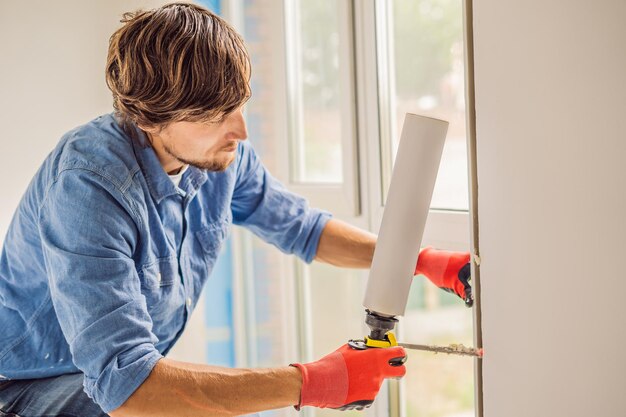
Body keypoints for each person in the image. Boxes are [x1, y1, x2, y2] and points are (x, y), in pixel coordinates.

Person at [0, 3, 472, 416]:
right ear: (147, 117)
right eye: (215, 114)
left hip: (110, 375)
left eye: (240, 104)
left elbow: (303, 228)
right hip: (25, 385)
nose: (241, 130)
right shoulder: (89, 187)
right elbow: (129, 387)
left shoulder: (219, 155)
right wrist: (314, 381)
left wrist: (417, 259)